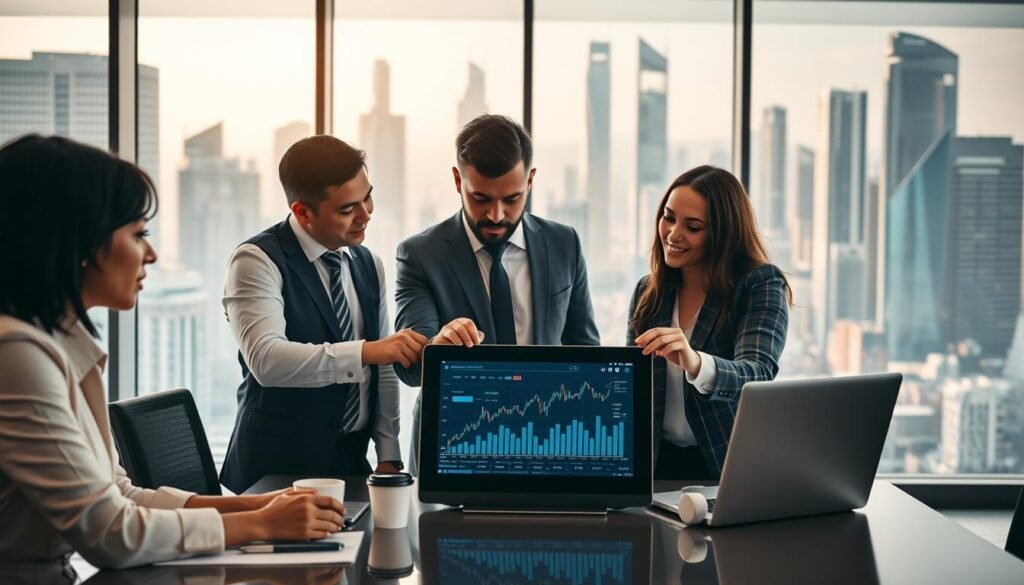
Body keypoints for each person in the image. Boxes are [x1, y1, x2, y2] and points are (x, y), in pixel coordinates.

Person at [0, 135, 345, 569]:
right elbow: (109, 531)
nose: (151, 253)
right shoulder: (16, 353)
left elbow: (120, 495)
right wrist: (261, 526)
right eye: (137, 233)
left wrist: (255, 507)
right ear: (78, 243)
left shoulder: (56, 342)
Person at [220, 136, 427, 494]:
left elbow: (385, 370)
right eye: (348, 209)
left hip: (352, 467)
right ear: (303, 212)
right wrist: (367, 350)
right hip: (274, 475)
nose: (366, 214)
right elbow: (267, 361)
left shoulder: (367, 264)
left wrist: (389, 452)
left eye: (368, 196)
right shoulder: (256, 261)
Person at [394, 114, 601, 474]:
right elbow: (411, 369)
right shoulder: (420, 254)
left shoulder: (564, 243)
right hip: (453, 446)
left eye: (512, 198)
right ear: (458, 180)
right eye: (480, 198)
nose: (496, 214)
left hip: (549, 440)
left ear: (531, 180)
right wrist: (438, 346)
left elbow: (585, 352)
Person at [628, 165, 791, 481]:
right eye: (669, 217)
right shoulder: (648, 292)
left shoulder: (759, 284)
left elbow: (757, 374)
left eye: (693, 226)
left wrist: (696, 363)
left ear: (722, 233)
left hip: (726, 464)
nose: (673, 234)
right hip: (656, 466)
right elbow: (634, 390)